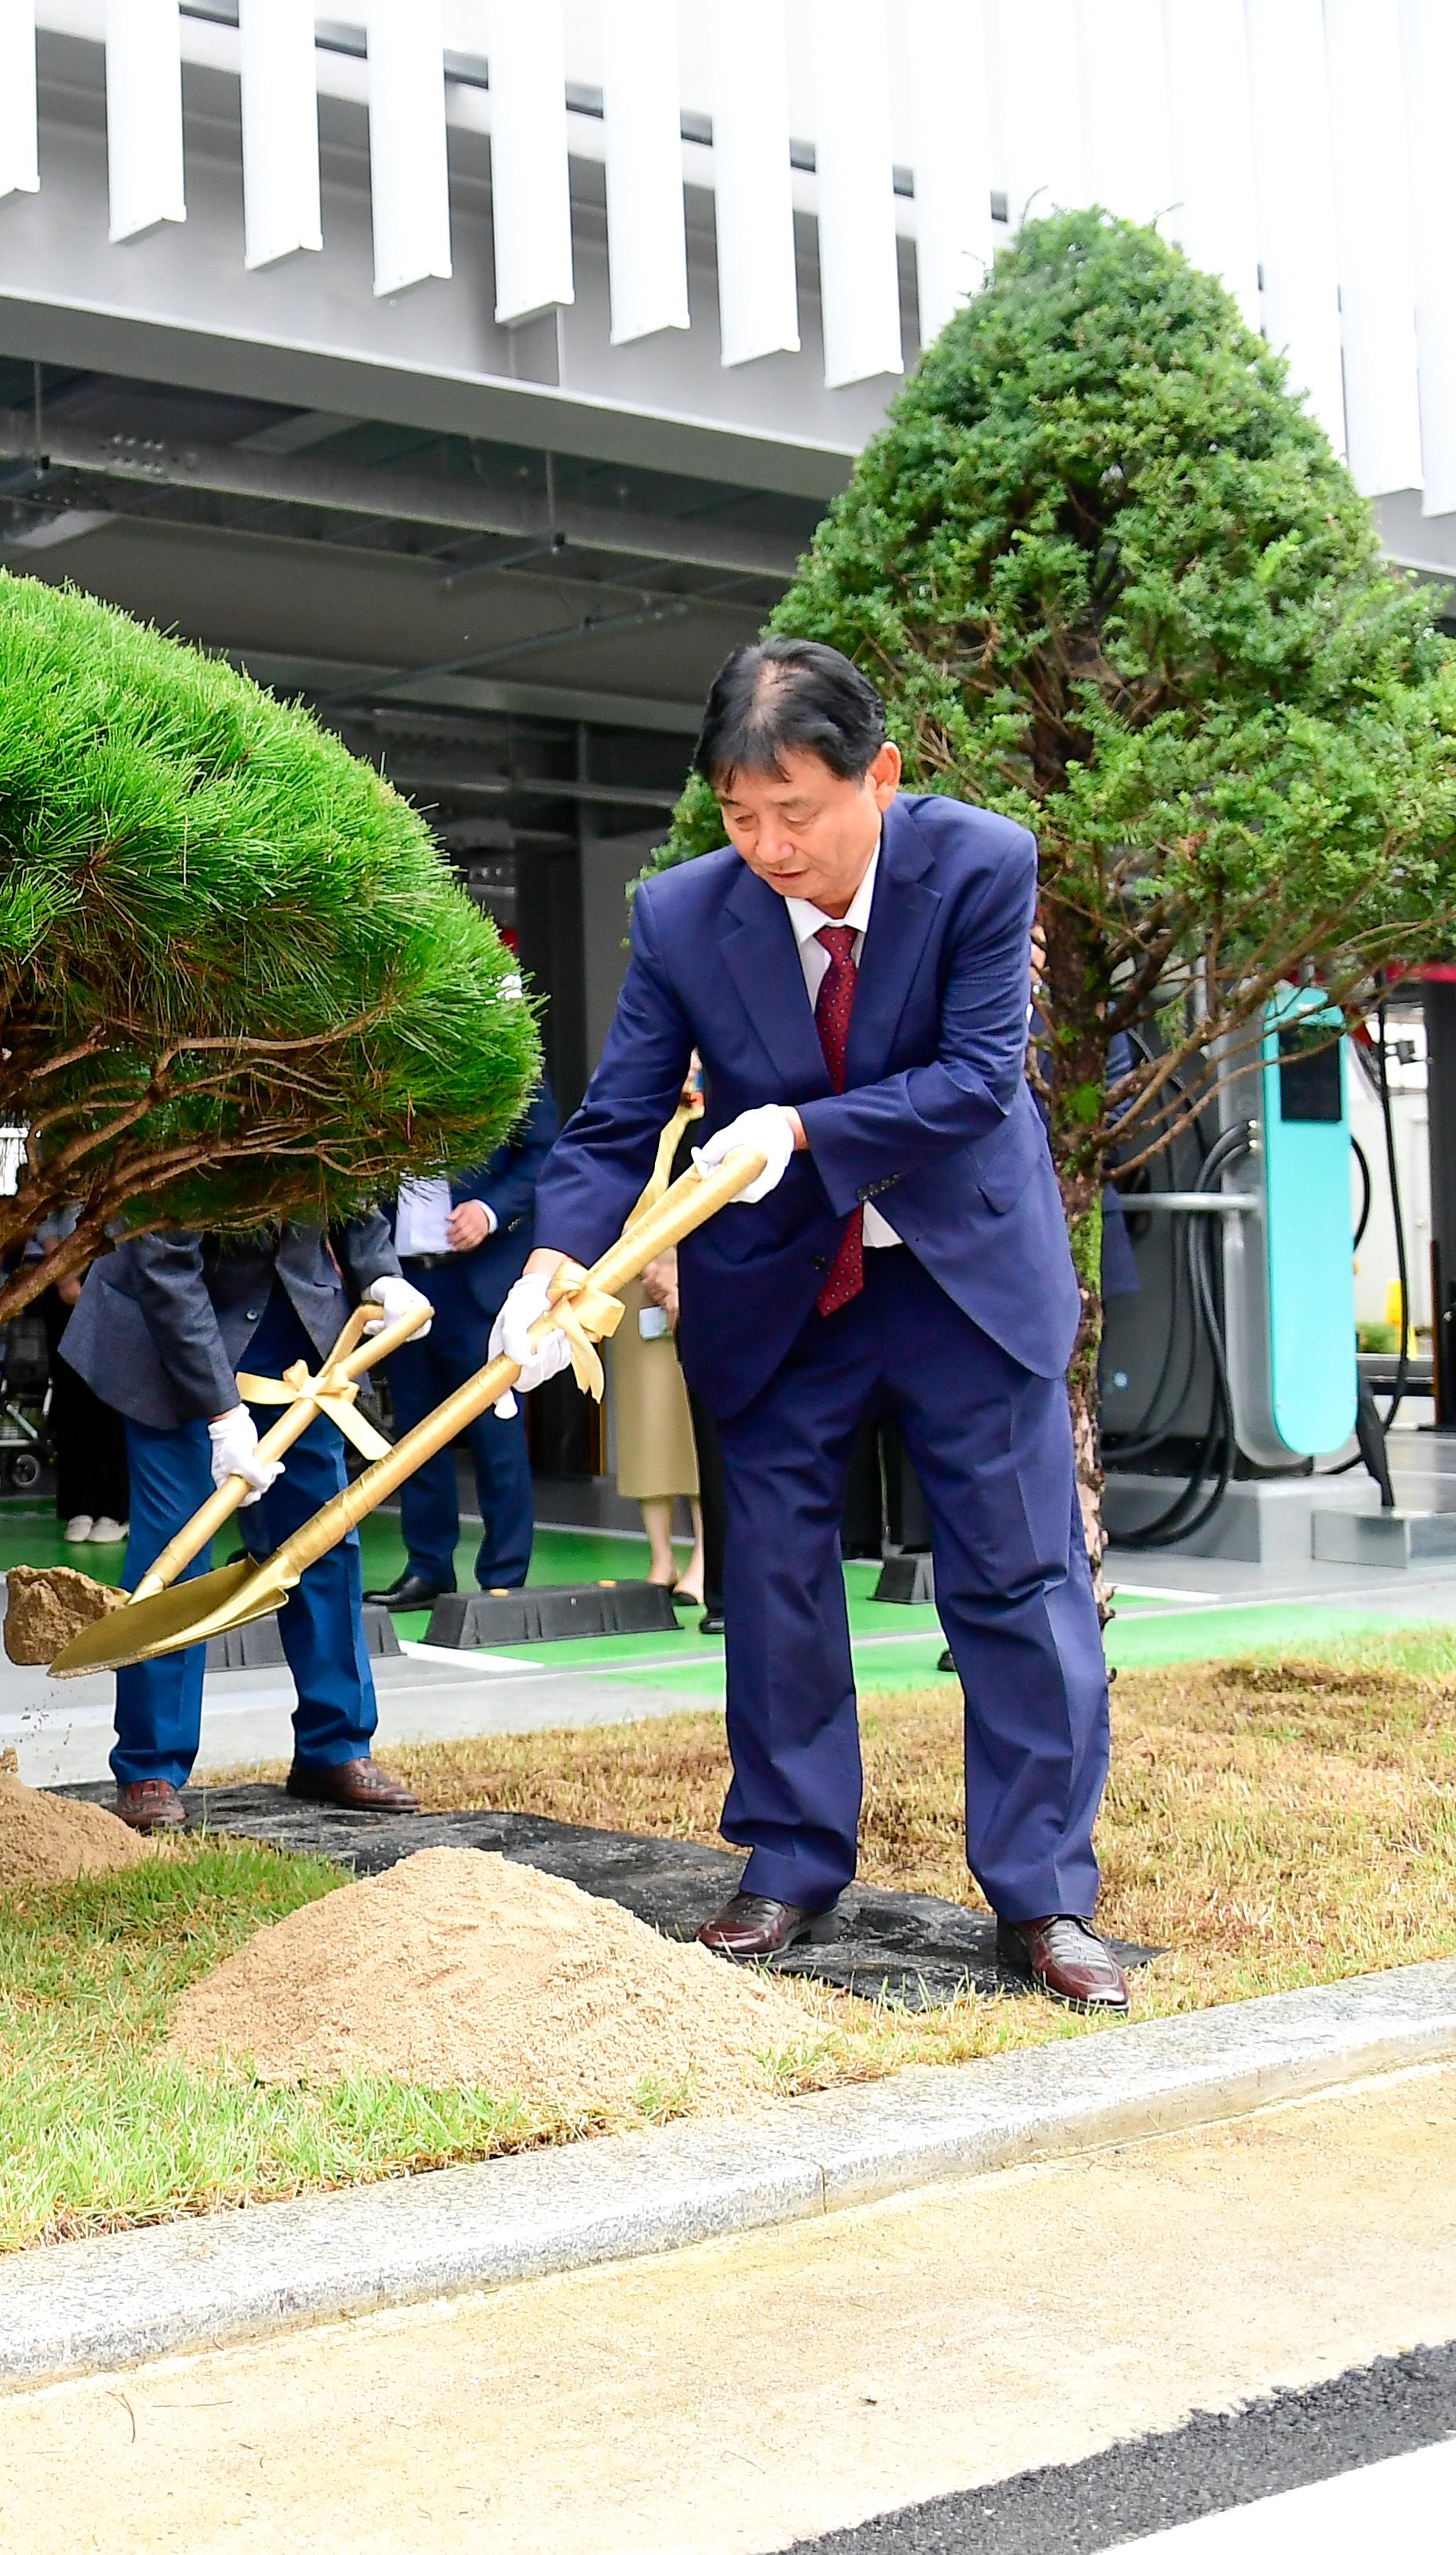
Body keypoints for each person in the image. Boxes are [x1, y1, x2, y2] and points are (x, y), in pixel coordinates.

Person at [514, 639, 1122, 2012]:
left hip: (959, 1277)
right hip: (780, 1289)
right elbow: (616, 1119)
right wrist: (555, 1256)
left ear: (880, 779)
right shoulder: (680, 916)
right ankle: (788, 1859)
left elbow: (973, 1080)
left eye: (797, 811)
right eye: (741, 816)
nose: (771, 846)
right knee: (776, 1585)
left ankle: (1043, 1893)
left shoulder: (977, 864)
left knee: (1018, 1581)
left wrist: (800, 1126)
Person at [59, 1217, 428, 1830]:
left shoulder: (325, 1117)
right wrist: (223, 1413)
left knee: (321, 1542)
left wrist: (382, 1273)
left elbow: (354, 1179)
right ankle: (151, 1764)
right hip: (168, 1337)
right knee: (175, 1550)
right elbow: (164, 1262)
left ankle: (335, 1745)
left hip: (296, 1343)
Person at [376, 1083, 557, 1612]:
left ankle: (504, 1578)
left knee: (495, 1433)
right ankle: (427, 1568)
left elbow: (546, 1150)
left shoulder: (500, 1057)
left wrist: (491, 1209)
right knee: (415, 1436)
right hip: (405, 1280)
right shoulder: (389, 1059)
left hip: (479, 1279)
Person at [608, 1095, 707, 1605]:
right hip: (631, 1283)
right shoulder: (637, 1117)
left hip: (698, 1280)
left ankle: (705, 1559)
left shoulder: (715, 1116)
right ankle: (661, 1557)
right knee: (646, 1424)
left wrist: (672, 1267)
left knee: (694, 1428)